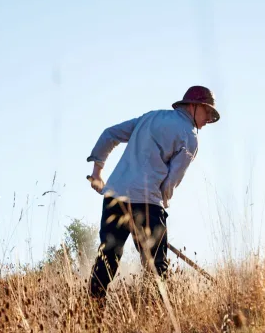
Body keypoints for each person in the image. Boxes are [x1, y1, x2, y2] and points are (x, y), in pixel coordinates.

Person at [85, 85, 221, 304]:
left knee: (107, 259)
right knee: (156, 267)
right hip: (148, 203)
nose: (208, 120)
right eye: (207, 112)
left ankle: (91, 314)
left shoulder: (150, 118)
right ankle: (157, 314)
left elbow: (110, 134)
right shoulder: (190, 137)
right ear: (194, 106)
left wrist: (97, 172)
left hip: (114, 196)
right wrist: (161, 207)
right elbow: (171, 181)